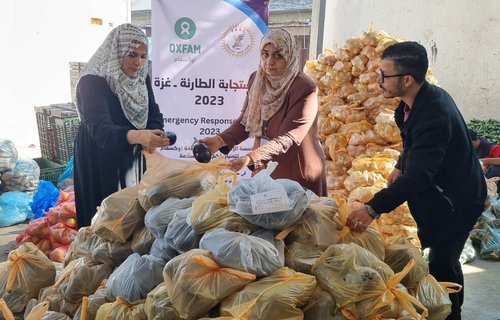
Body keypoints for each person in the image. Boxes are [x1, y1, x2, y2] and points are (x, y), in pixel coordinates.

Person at [346, 41, 486, 319]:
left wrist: (372, 208)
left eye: (384, 75)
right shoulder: (408, 106)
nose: (378, 81)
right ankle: (449, 308)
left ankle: (449, 314)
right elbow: (413, 144)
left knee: (441, 264)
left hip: (456, 201)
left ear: (407, 79)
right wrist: (401, 163)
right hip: (440, 197)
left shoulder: (434, 114)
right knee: (440, 260)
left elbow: (420, 177)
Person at [200, 29, 326, 196]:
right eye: (265, 54)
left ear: (290, 57)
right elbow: (246, 122)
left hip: (297, 170)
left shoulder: (304, 88)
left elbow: (288, 139)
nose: (269, 62)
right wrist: (220, 140)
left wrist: (251, 158)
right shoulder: (257, 79)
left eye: (278, 56)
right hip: (265, 169)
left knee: (295, 220)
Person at [73, 24, 170, 228]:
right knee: (104, 219)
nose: (138, 63)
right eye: (132, 55)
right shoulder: (92, 81)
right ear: (117, 51)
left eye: (143, 56)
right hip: (101, 157)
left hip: (132, 154)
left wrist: (154, 132)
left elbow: (154, 112)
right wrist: (139, 136)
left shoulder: (141, 78)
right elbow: (100, 129)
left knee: (131, 216)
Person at [468, 128, 500, 193]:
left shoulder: (491, 147)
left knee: (496, 170)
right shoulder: (468, 150)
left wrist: (485, 161)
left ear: (472, 142)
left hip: (493, 180)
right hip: (479, 178)